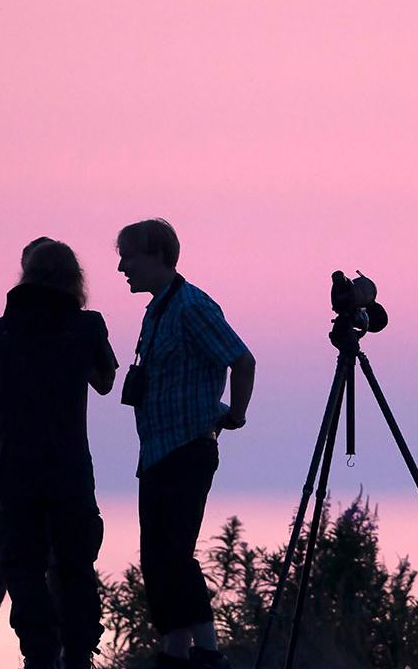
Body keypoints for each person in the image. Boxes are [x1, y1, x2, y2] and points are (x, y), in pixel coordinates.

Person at [116, 219, 255, 669]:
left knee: (173, 553)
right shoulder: (157, 310)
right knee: (156, 560)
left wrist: (235, 415)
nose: (122, 267)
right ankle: (175, 653)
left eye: (129, 256)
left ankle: (209, 654)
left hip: (187, 448)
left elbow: (242, 359)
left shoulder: (192, 306)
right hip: (157, 452)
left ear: (158, 256)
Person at [0, 238, 117, 669]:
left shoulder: (0, 331)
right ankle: (78, 655)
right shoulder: (86, 325)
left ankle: (39, 656)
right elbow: (106, 381)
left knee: (23, 568)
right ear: (74, 278)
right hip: (70, 467)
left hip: (15, 467)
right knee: (76, 565)